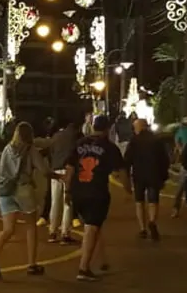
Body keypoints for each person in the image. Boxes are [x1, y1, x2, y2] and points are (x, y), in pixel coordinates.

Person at [64, 115, 131, 282]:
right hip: (96, 192)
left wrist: (67, 190)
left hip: (79, 190)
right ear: (107, 129)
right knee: (92, 228)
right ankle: (83, 268)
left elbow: (70, 167)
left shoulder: (79, 144)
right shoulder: (109, 147)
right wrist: (128, 189)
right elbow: (122, 170)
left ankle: (102, 260)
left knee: (93, 225)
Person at [0, 122, 59, 279]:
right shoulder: (30, 150)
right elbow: (44, 171)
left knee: (7, 229)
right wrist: (59, 176)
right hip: (23, 190)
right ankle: (31, 264)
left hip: (5, 191)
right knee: (30, 227)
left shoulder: (8, 149)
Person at [125, 119, 170, 240]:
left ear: (139, 128)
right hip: (154, 175)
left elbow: (127, 159)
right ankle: (152, 221)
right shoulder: (156, 140)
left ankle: (142, 229)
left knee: (139, 202)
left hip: (139, 175)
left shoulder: (134, 141)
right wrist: (164, 176)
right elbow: (165, 159)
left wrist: (126, 177)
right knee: (153, 201)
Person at [46, 122, 79, 244]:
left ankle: (52, 232)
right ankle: (65, 234)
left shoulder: (56, 136)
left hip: (55, 169)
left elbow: (50, 152)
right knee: (67, 202)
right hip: (68, 170)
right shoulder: (75, 136)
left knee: (55, 201)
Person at [171, 113, 187, 218]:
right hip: (186, 162)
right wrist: (180, 151)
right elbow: (177, 143)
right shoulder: (182, 130)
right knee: (181, 186)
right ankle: (176, 208)